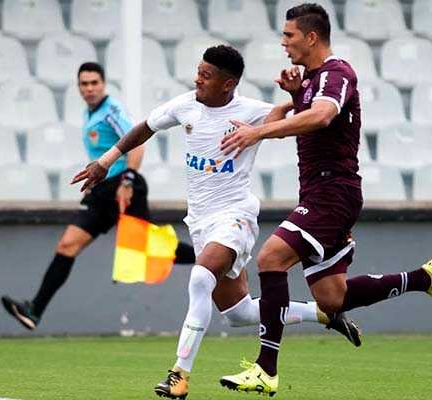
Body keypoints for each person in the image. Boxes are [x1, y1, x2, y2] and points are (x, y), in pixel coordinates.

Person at [71, 46, 362, 400]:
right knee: (239, 313)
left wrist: (294, 96)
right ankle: (324, 315)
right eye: (198, 70)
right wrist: (106, 161)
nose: (197, 78)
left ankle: (179, 375)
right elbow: (144, 128)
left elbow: (300, 117)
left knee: (199, 278)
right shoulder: (185, 106)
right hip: (201, 221)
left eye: (206, 75)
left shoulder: (252, 113)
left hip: (235, 217)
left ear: (228, 84)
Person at [218, 4, 432, 396]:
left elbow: (321, 118)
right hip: (321, 192)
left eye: (289, 36)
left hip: (333, 192)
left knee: (270, 259)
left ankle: (266, 369)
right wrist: (296, 95)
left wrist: (259, 133)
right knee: (333, 298)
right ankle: (424, 277)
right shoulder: (314, 80)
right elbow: (307, 115)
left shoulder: (338, 73)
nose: (283, 43)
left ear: (311, 37)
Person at [0, 62, 197, 330]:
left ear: (103, 84)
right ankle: (34, 309)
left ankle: (211, 257)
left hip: (123, 186)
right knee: (67, 245)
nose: (89, 88)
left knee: (147, 248)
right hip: (101, 190)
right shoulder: (90, 114)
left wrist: (128, 179)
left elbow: (136, 144)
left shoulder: (111, 111)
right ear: (78, 87)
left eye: (94, 83)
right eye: (84, 84)